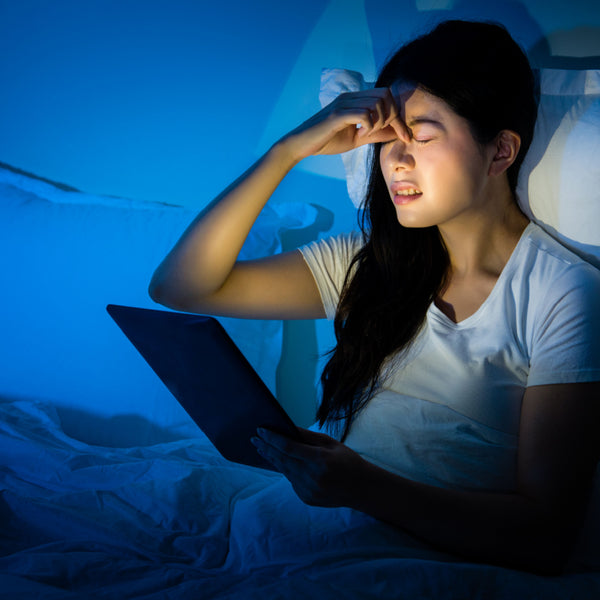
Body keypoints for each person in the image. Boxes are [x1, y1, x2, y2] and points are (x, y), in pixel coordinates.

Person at [149, 20, 600, 574]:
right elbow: (180, 287)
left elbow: (547, 536)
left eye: (425, 136)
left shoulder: (562, 294)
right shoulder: (370, 263)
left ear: (501, 151)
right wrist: (288, 150)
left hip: (429, 566)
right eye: (390, 139)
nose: (397, 161)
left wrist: (364, 488)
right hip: (310, 534)